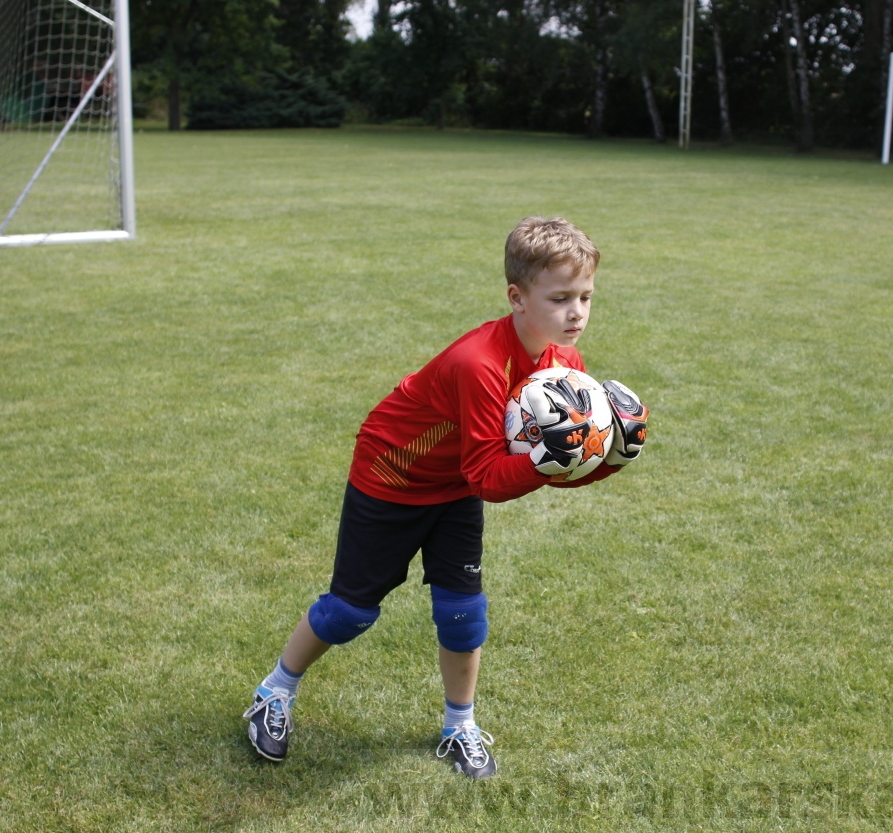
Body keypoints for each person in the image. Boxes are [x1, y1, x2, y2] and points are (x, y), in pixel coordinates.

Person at [244, 216, 649, 779]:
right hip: (394, 477)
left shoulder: (566, 366)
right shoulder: (479, 364)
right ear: (517, 297)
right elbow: (491, 475)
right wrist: (545, 457)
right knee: (349, 613)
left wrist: (611, 458)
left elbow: (543, 471)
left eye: (585, 297)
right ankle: (274, 691)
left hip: (457, 482)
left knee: (463, 616)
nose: (576, 312)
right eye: (560, 298)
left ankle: (460, 725)